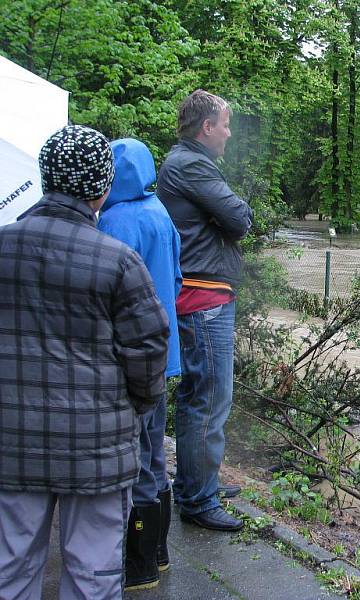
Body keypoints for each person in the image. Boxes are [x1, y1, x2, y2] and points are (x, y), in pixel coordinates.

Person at [0, 125, 169, 599]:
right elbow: (148, 350)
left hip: (12, 444)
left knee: (9, 570)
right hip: (96, 451)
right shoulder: (118, 261)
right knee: (93, 576)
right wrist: (134, 409)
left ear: (44, 178)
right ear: (101, 188)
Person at [157, 89, 253, 531]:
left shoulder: (187, 163)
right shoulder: (191, 165)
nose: (230, 133)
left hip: (203, 295)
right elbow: (239, 219)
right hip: (203, 300)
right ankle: (198, 500)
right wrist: (225, 215)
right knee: (208, 401)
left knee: (200, 397)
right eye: (226, 123)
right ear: (206, 127)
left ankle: (198, 482)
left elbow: (227, 216)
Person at [98, 138, 182, 590]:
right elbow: (176, 279)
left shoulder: (114, 221)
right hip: (163, 354)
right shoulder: (161, 214)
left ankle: (138, 567)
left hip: (128, 357)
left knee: (137, 459)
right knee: (156, 453)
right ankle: (160, 553)